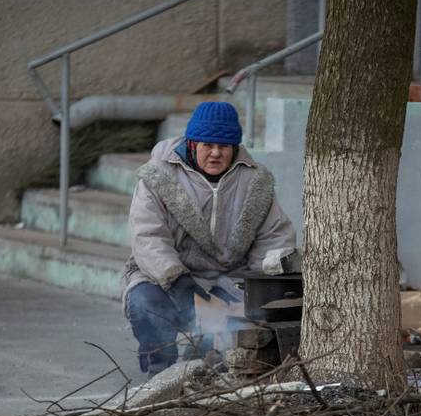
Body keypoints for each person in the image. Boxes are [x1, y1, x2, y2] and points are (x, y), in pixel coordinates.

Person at [123, 101, 297, 376]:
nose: (216, 153)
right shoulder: (158, 176)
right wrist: (178, 281)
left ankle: (205, 360)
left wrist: (248, 289)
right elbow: (148, 236)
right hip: (170, 279)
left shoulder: (256, 182)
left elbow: (274, 239)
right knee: (145, 302)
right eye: (207, 145)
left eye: (224, 146)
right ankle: (160, 367)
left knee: (219, 359)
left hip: (227, 282)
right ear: (192, 144)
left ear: (234, 148)